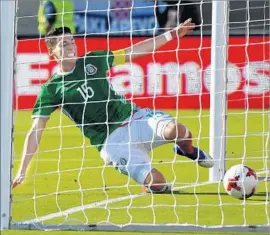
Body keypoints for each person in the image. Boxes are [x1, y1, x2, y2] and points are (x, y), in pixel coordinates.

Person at [12, 19, 213, 193]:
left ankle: (187, 150)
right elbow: (36, 130)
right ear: (51, 52)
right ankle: (149, 182)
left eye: (72, 41)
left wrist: (172, 34)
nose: (71, 47)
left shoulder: (93, 59)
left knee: (179, 132)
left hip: (135, 119)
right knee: (158, 184)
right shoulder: (52, 90)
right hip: (111, 143)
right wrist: (22, 170)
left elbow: (134, 52)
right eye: (64, 44)